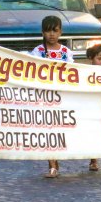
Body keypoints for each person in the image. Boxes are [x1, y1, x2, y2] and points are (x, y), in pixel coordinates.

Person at [31, 15, 74, 178]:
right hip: (44, 97)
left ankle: (57, 160)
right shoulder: (38, 51)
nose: (51, 34)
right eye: (48, 31)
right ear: (43, 32)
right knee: (48, 130)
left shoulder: (66, 52)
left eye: (55, 31)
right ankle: (52, 164)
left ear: (60, 32)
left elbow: (72, 71)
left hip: (62, 97)